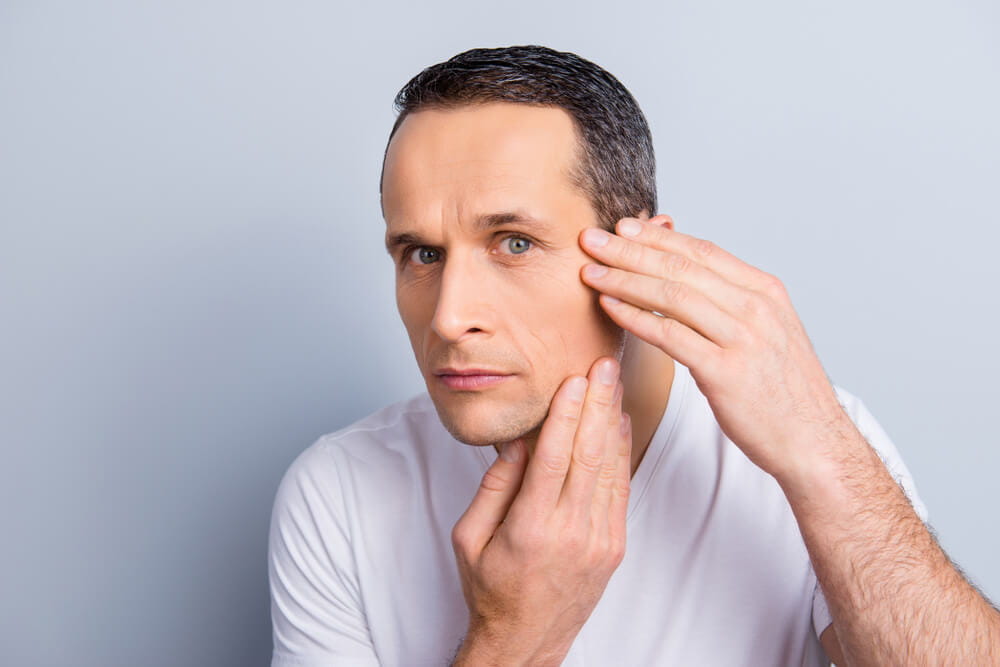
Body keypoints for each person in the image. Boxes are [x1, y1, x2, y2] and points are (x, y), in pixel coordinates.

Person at [267, 45, 999, 666]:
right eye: (421, 253)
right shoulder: (339, 492)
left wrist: (823, 451)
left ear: (643, 256)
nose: (451, 317)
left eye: (514, 242)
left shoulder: (811, 446)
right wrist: (513, 636)